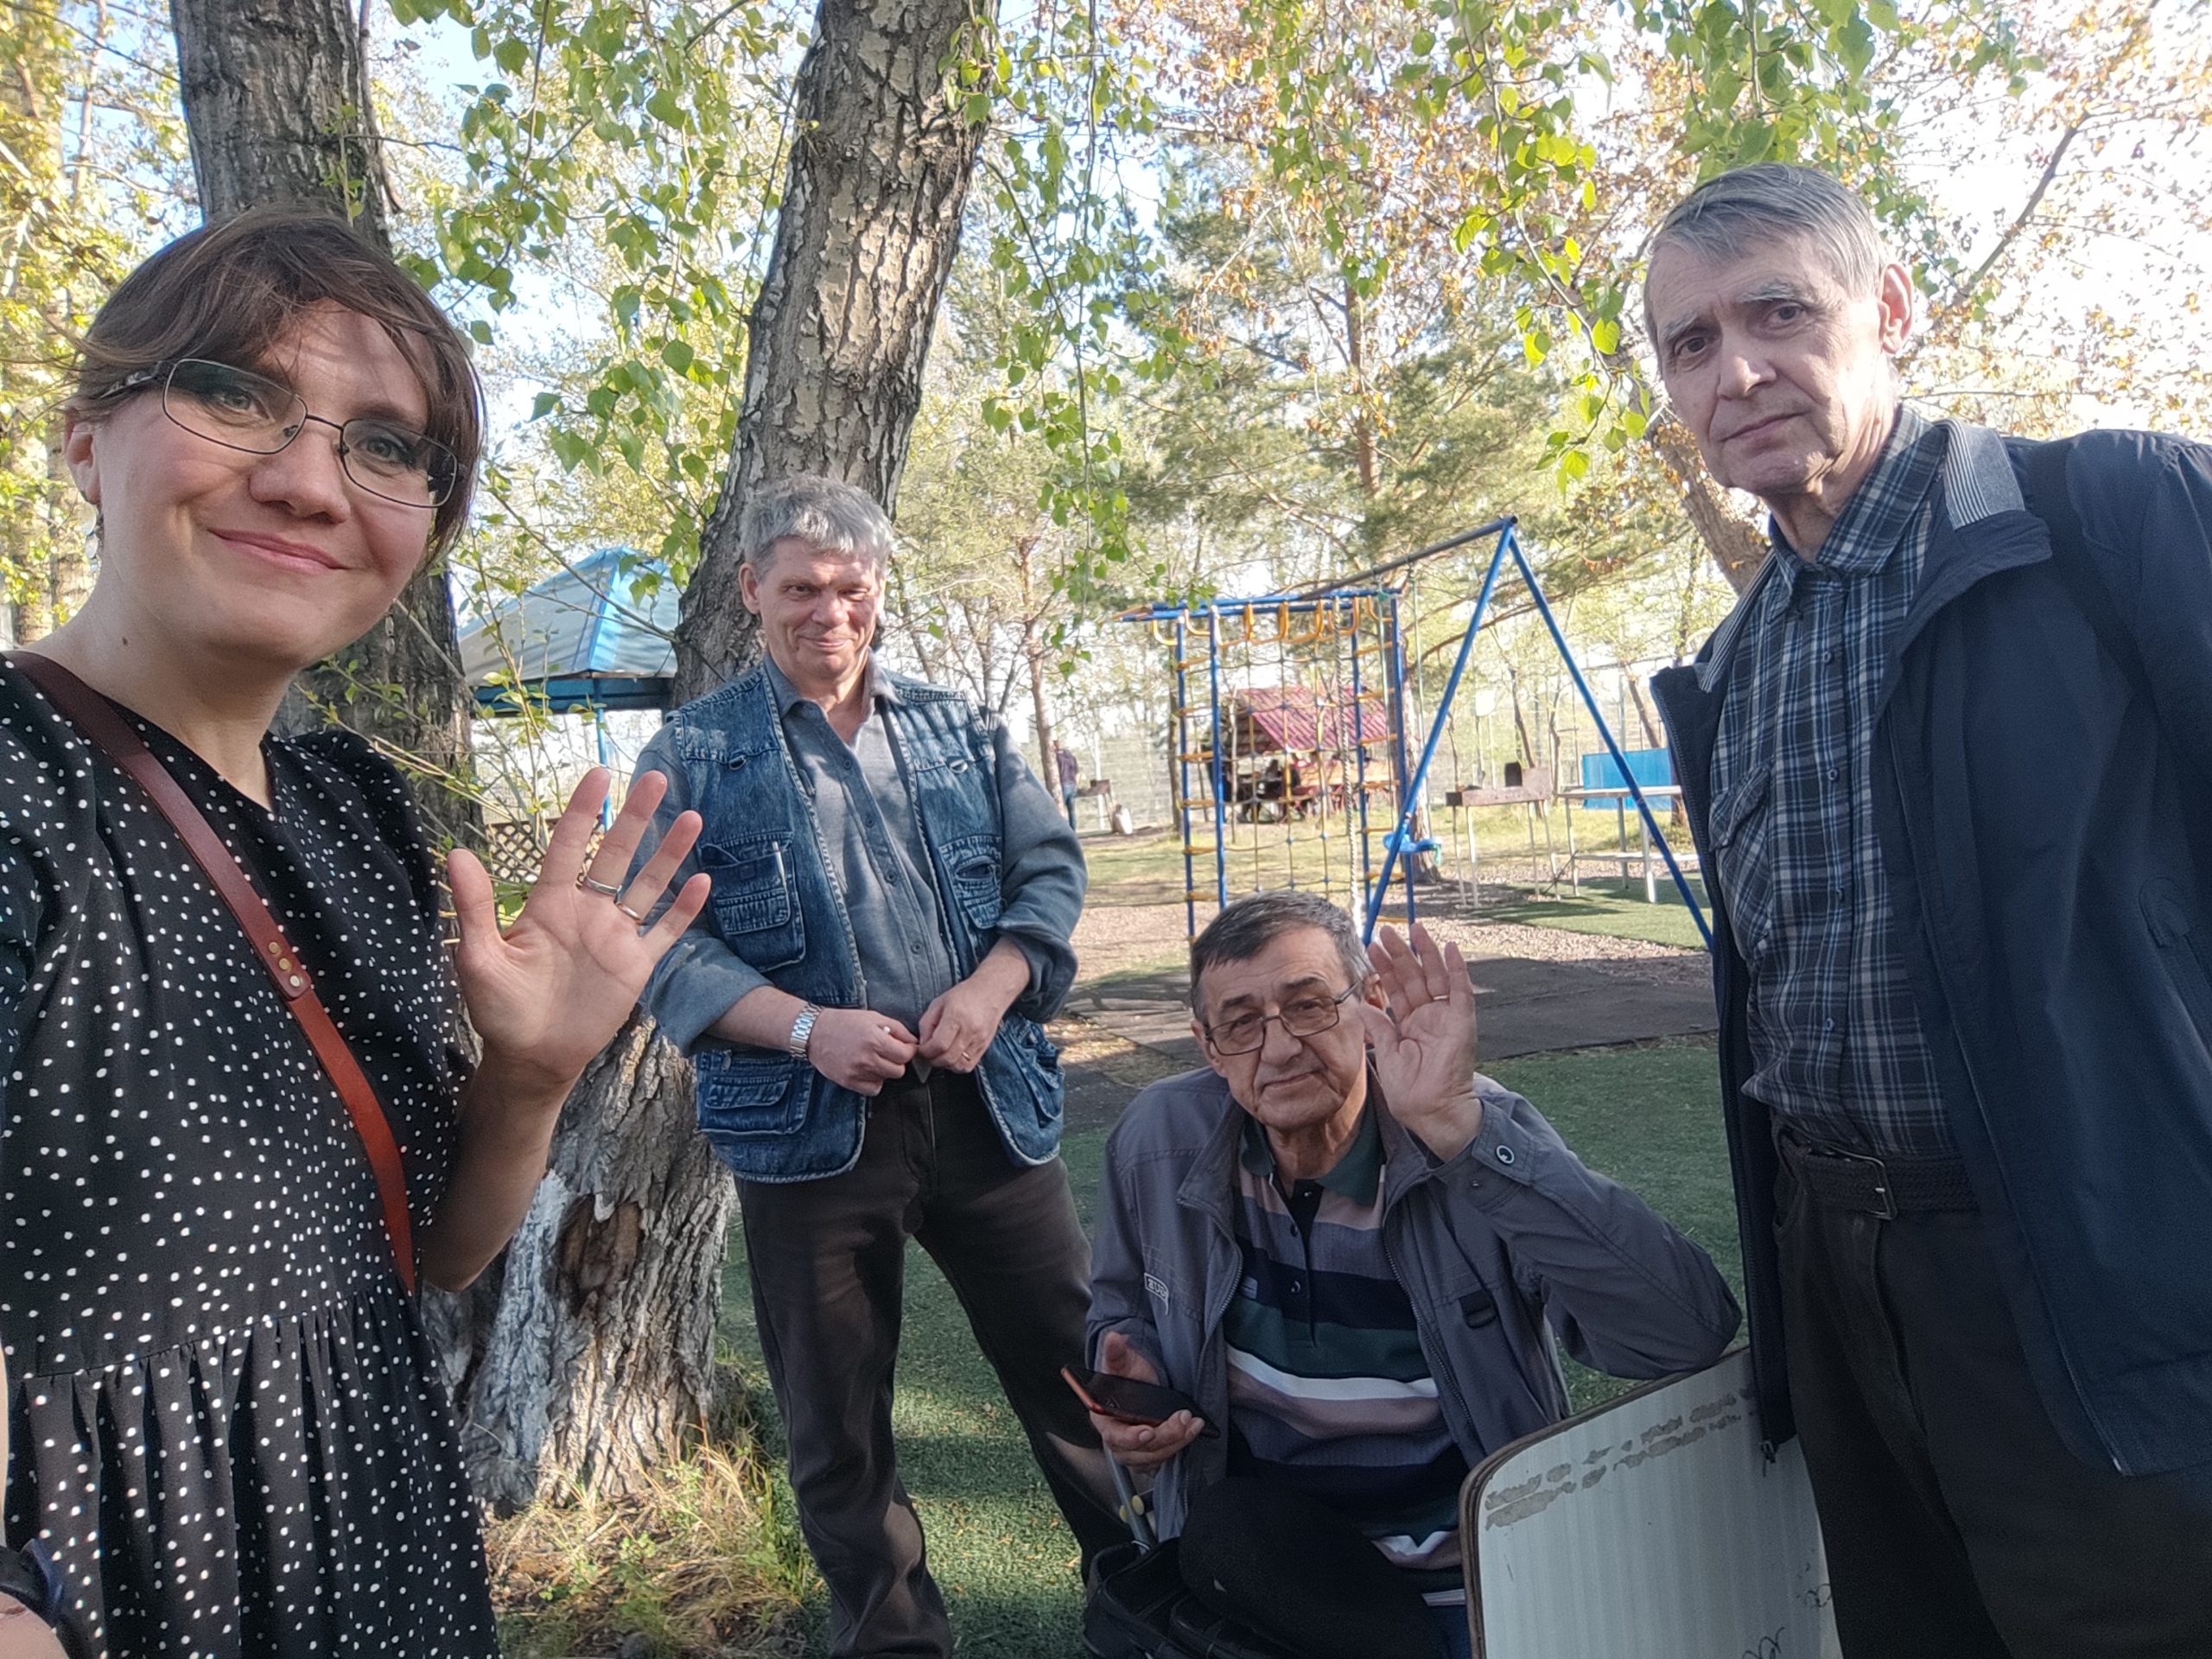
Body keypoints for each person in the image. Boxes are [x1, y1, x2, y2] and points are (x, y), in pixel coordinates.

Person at [0, 208, 710, 1655]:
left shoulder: (356, 814)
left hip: (383, 1543)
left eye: (387, 445)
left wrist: (531, 1075)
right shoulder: (22, 792)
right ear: (84, 440)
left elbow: (428, 1255)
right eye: (231, 392)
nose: (310, 480)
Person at [1643, 162, 2212, 1656]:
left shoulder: (2111, 518)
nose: (1735, 371)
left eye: (1778, 312)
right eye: (1691, 342)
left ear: (1890, 309)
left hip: (2100, 1262)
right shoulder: (1732, 670)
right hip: (1844, 1275)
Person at [630, 474, 1122, 1658]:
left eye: (851, 589)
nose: (830, 613)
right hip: (805, 1132)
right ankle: (896, 1642)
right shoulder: (692, 754)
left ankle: (1156, 1604)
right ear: (750, 589)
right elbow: (651, 935)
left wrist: (992, 989)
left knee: (1086, 1380)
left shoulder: (962, 729)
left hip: (987, 1107)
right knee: (837, 1427)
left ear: (880, 589)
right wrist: (808, 1029)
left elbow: (1049, 873)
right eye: (802, 588)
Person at [1084, 892, 1740, 1659]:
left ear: (1368, 1005)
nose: (1281, 1048)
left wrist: (1462, 1131)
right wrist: (1132, 1372)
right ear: (1207, 1046)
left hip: (1478, 1577)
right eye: (1242, 1023)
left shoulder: (1468, 1131)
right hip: (1266, 1565)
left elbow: (1682, 1334)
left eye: (1308, 1006)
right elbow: (1121, 1306)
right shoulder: (1158, 1139)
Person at [1056, 740, 1082, 828]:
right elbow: (1077, 772)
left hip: (1063, 784)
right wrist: (1076, 785)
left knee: (1059, 809)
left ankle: (1064, 829)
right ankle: (1073, 830)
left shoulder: (1056, 757)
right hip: (1072, 784)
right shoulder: (1071, 757)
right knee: (1072, 811)